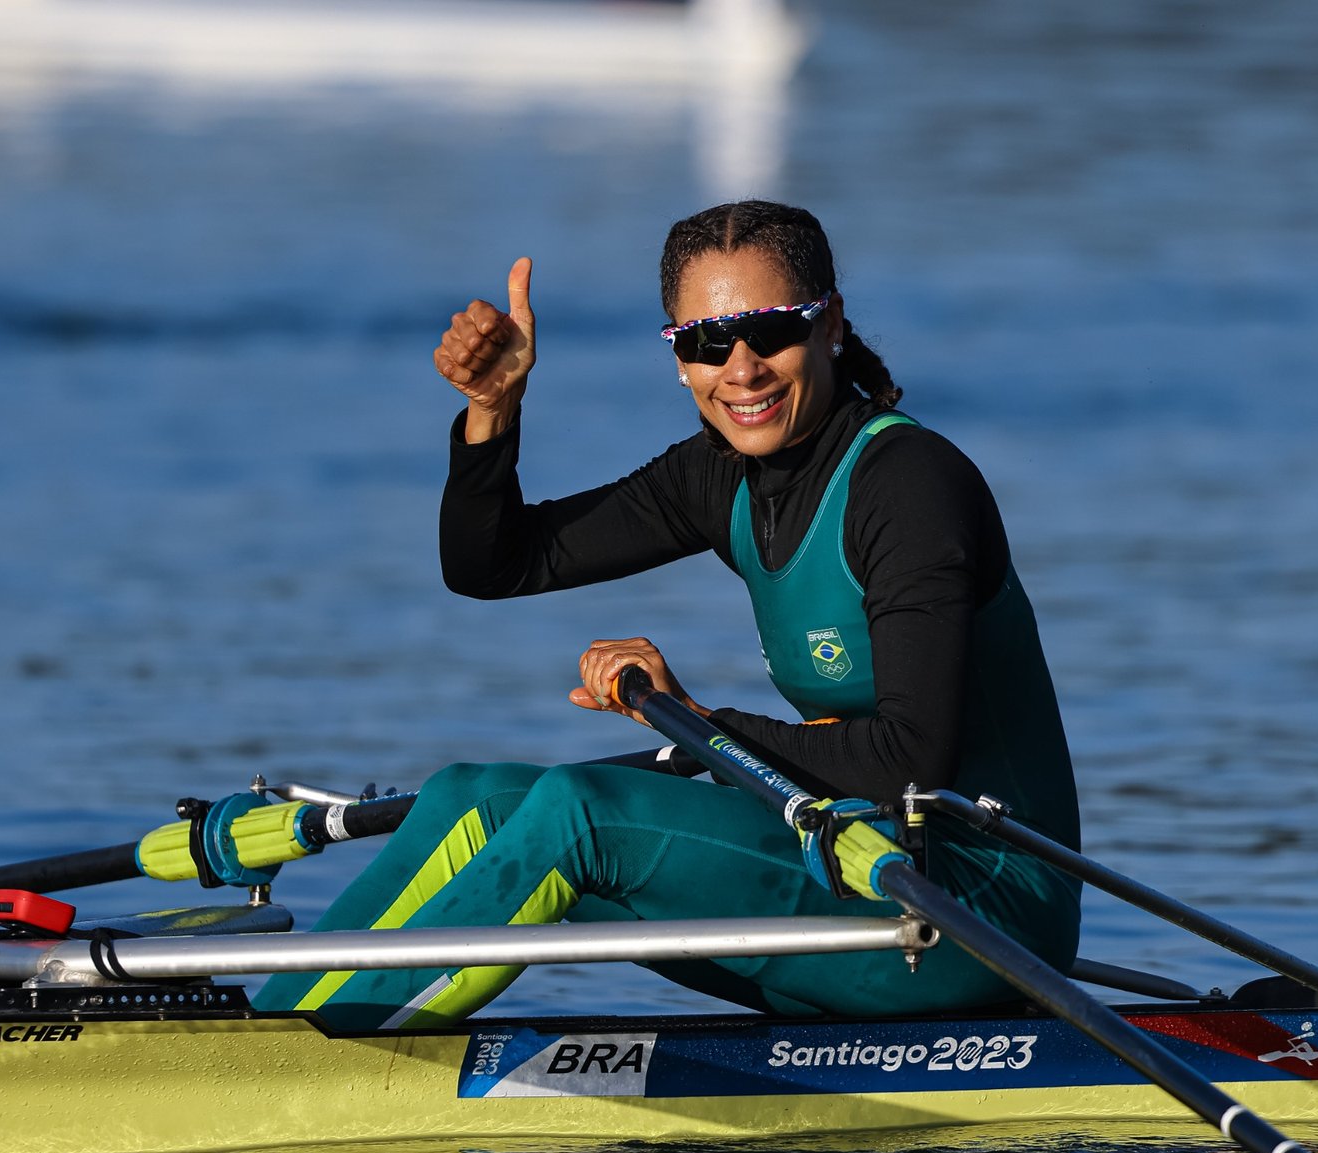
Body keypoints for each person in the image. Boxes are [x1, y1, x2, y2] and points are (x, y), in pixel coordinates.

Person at [255, 200, 1081, 1028]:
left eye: (772, 331)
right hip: (845, 865)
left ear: (829, 325)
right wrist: (493, 410)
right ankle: (276, 1029)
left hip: (976, 910)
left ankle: (332, 1048)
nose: (742, 368)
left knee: (581, 812)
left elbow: (910, 759)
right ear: (679, 358)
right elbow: (494, 564)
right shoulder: (716, 476)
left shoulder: (908, 485)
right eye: (706, 343)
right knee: (478, 796)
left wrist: (700, 724)